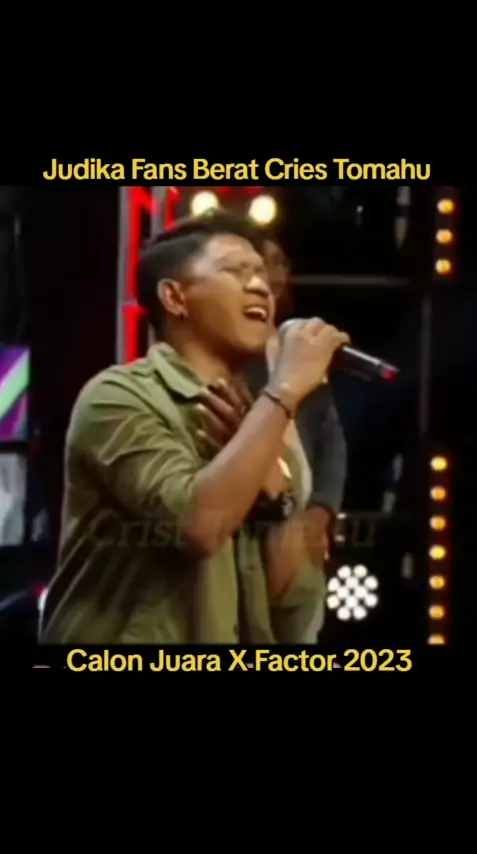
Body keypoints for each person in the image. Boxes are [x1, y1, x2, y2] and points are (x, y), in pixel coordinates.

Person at [39, 210, 349, 644]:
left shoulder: (262, 424)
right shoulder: (118, 397)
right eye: (235, 271)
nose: (261, 286)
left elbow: (291, 609)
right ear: (174, 297)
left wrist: (275, 500)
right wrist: (284, 391)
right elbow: (197, 527)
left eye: (261, 273)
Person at [196, 234, 348, 642]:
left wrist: (322, 511)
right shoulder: (225, 354)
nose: (269, 276)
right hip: (247, 527)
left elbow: (331, 442)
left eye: (276, 264)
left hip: (300, 526)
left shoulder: (301, 349)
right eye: (251, 268)